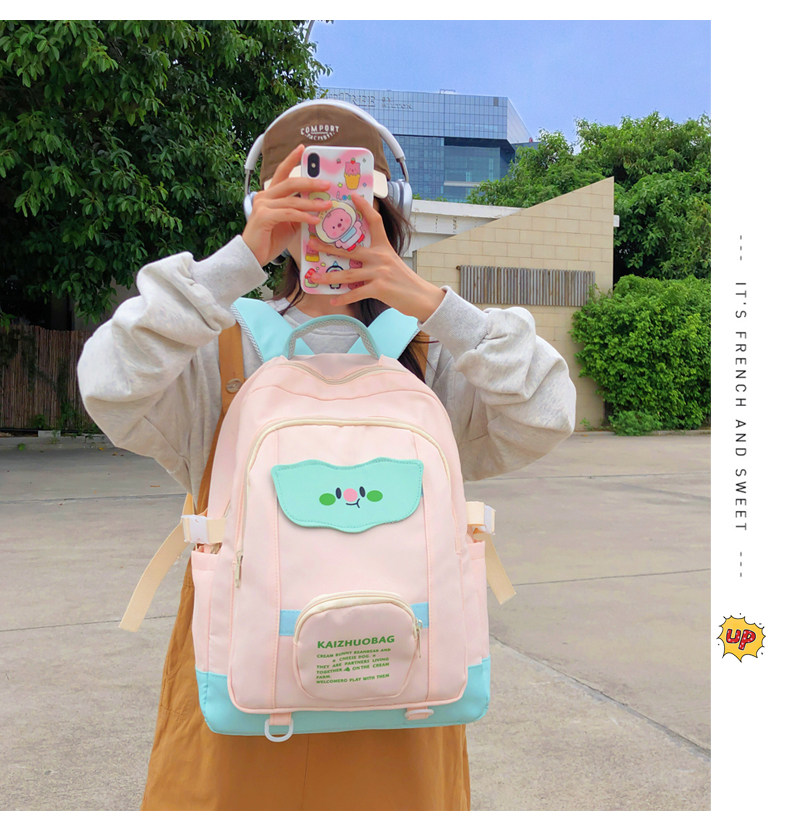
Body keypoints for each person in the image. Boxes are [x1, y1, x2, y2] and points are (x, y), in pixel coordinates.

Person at [77, 100, 576, 811]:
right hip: (255, 714)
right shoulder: (214, 347)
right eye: (300, 187)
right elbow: (106, 382)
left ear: (389, 204)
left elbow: (550, 408)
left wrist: (429, 301)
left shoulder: (430, 353)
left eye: (348, 185)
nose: (327, 210)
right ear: (263, 204)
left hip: (387, 714)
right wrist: (237, 262)